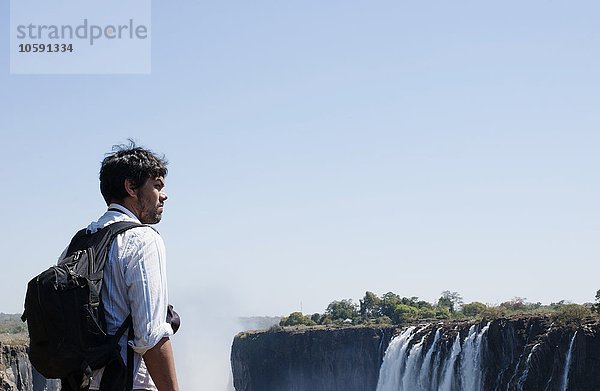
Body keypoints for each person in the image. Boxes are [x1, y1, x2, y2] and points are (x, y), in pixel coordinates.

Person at [63, 142, 179, 390]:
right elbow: (151, 336)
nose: (164, 195)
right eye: (157, 186)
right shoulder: (143, 239)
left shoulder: (77, 243)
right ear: (131, 187)